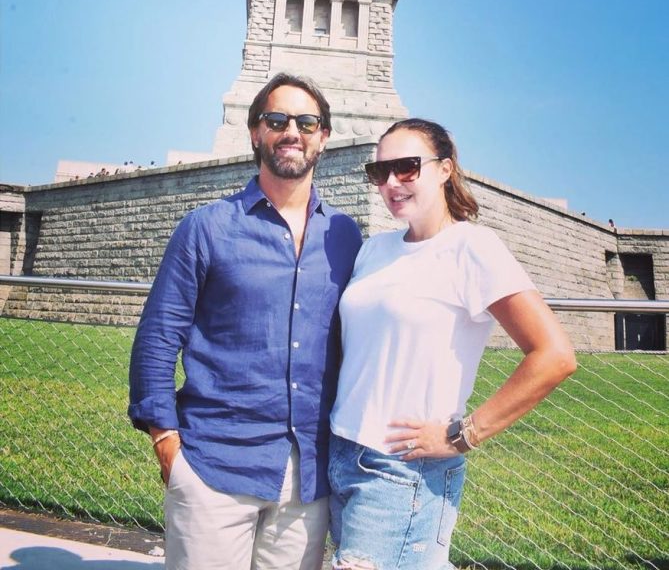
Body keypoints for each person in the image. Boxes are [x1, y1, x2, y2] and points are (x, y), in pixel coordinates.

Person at [128, 72, 362, 570]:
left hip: (307, 479)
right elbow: (156, 337)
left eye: (307, 121)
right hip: (215, 463)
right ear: (255, 132)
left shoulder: (345, 236)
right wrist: (166, 442)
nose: (291, 131)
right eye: (276, 119)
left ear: (323, 137)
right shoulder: (207, 227)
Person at [329, 118, 577, 570]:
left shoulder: (472, 247)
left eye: (406, 167)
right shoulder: (374, 250)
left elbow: (554, 355)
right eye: (378, 172)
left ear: (445, 169)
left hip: (401, 471)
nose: (391, 183)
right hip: (342, 452)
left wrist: (464, 436)